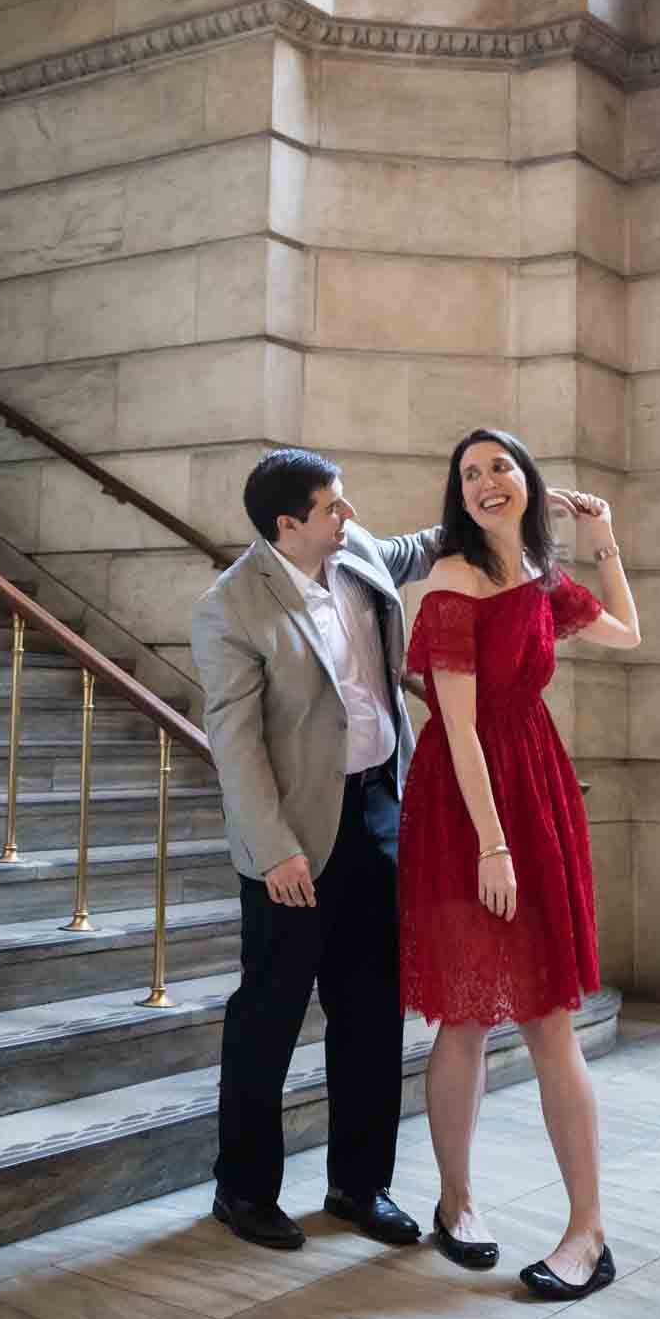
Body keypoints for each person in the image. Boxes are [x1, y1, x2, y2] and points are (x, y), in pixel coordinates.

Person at [398, 428, 640, 1303]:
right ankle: (456, 1203)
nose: (486, 482)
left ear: (528, 481)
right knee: (460, 1018)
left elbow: (627, 632)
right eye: (468, 474)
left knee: (547, 1017)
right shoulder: (452, 583)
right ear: (457, 497)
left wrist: (600, 536)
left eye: (499, 466)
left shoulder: (542, 577)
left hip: (533, 787)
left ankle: (588, 1233)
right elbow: (456, 727)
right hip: (466, 803)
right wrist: (492, 842)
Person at [191, 447, 445, 1253]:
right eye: (333, 507)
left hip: (377, 810)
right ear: (286, 525)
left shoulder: (357, 551)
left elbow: (420, 548)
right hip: (293, 838)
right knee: (267, 1016)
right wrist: (274, 851)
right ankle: (242, 1192)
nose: (351, 515)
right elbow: (233, 744)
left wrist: (497, 498)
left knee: (371, 1010)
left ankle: (359, 1186)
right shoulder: (231, 607)